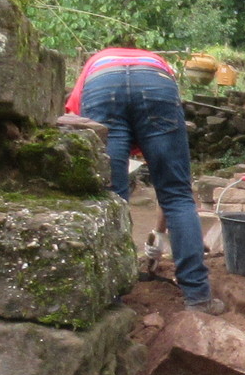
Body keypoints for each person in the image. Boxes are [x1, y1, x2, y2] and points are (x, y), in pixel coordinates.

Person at [65, 35, 222, 314]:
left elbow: (76, 119)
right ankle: (198, 298)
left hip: (103, 84)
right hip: (156, 83)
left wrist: (159, 234)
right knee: (177, 195)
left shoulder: (95, 62)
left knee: (109, 198)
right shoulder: (156, 62)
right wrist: (160, 230)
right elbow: (171, 191)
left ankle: (110, 298)